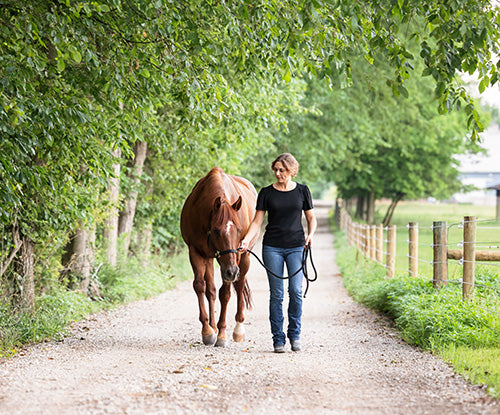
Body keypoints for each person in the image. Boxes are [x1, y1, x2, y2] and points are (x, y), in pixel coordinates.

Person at [239, 153, 317, 353]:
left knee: (296, 292)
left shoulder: (302, 191)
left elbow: (311, 218)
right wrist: (246, 240)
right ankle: (278, 339)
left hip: (296, 246)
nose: (277, 173)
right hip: (272, 246)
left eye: (282, 170)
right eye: (275, 169)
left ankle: (295, 335)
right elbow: (257, 222)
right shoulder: (266, 193)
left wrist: (310, 235)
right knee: (277, 294)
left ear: (291, 170)